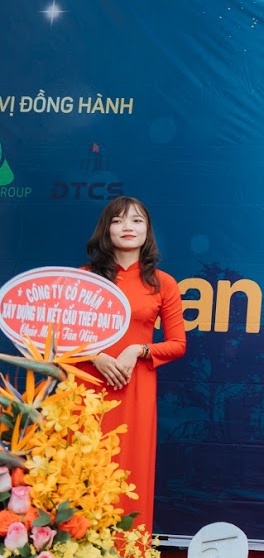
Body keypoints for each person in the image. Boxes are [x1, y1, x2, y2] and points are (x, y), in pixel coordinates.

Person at [81, 196, 186, 536]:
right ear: (106, 229)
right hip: (87, 388)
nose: (128, 227)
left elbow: (178, 344)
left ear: (147, 230)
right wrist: (95, 355)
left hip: (135, 388)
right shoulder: (84, 278)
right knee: (85, 469)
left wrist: (139, 350)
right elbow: (62, 339)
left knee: (131, 468)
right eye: (118, 220)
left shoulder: (162, 283)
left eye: (137, 220)